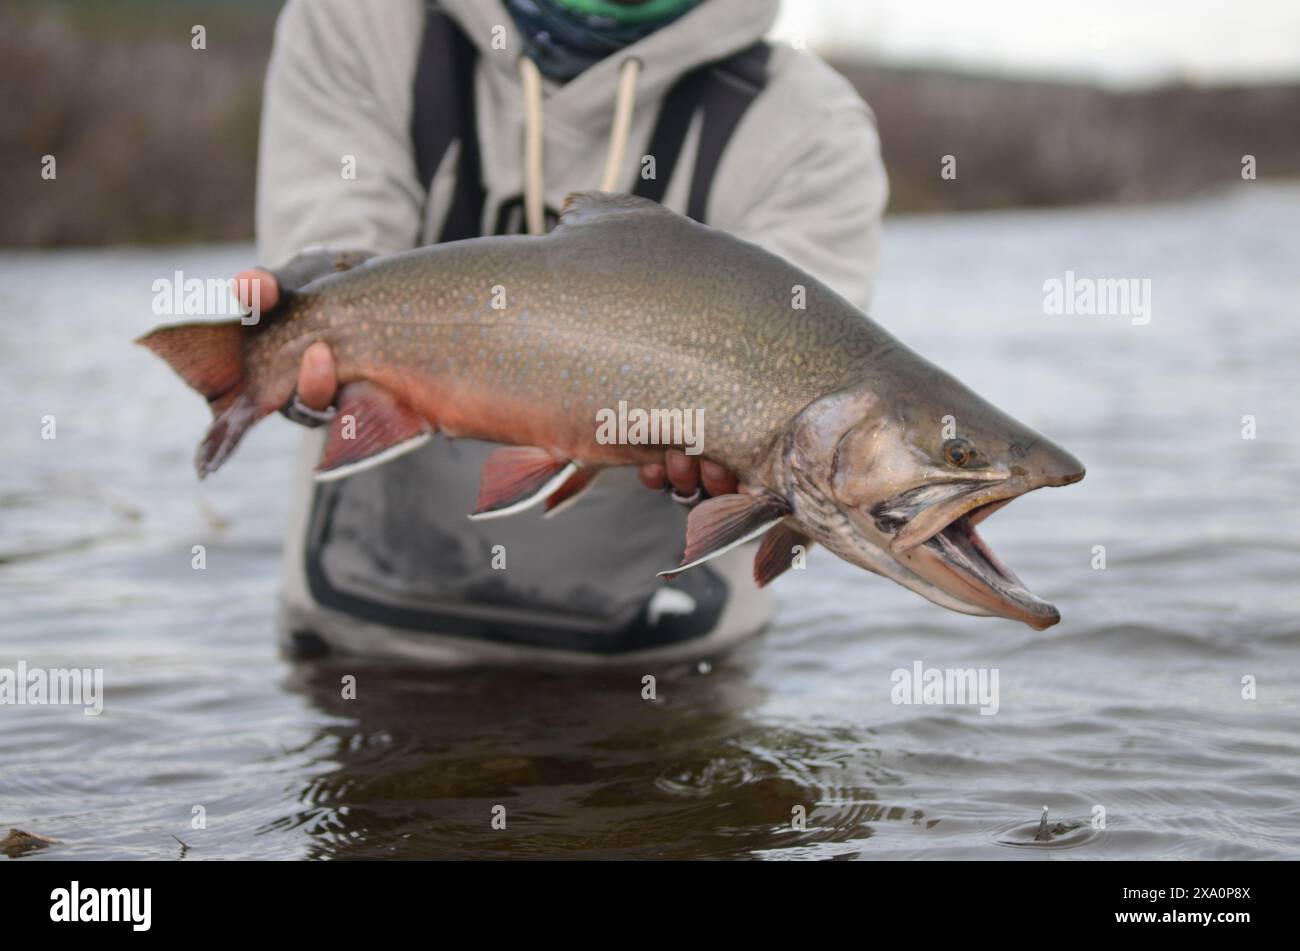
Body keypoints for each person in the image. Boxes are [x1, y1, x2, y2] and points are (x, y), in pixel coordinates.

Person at [238, 0, 888, 665]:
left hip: (667, 674)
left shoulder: (814, 127)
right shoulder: (358, 18)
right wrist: (307, 312)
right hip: (362, 651)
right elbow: (340, 243)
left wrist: (746, 464)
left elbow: (810, 436)